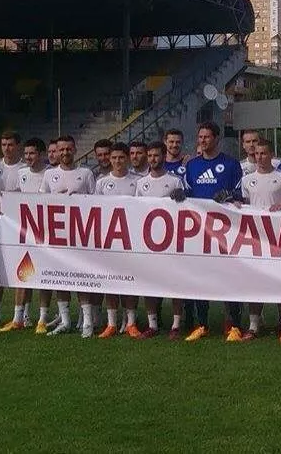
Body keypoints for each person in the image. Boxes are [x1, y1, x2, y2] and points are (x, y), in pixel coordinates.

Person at [179, 122, 244, 343]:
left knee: (229, 277)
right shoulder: (192, 166)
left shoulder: (231, 164)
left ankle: (234, 325)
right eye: (200, 137)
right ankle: (202, 324)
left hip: (226, 231)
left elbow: (240, 194)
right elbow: (187, 193)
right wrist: (179, 196)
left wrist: (229, 195)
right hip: (199, 231)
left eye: (207, 137)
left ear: (217, 138)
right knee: (200, 277)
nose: (203, 141)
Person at [236, 139, 281, 342]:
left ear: (271, 155)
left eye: (263, 153)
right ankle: (253, 326)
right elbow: (243, 206)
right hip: (255, 239)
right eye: (256, 154)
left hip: (279, 239)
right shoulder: (247, 180)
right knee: (255, 282)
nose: (259, 157)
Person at [40, 135, 96, 336]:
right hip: (58, 235)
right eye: (61, 149)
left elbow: (96, 203)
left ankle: (87, 321)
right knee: (60, 277)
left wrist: (80, 200)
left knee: (81, 276)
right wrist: (56, 199)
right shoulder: (49, 174)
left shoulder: (86, 173)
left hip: (81, 235)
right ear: (56, 151)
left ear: (75, 150)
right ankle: (65, 320)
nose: (65, 153)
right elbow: (41, 202)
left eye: (68, 149)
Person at [0, 138, 51, 333]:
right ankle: (18, 318)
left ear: (42, 154)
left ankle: (42, 319)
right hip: (24, 232)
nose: (28, 157)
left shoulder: (50, 173)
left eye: (32, 153)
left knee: (44, 275)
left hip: (45, 233)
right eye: (26, 153)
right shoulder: (21, 173)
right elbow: (17, 196)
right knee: (23, 273)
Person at [134, 141, 186, 339]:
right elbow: (134, 209)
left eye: (156, 155)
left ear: (164, 156)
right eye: (150, 156)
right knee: (149, 284)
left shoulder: (175, 181)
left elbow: (185, 207)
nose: (152, 159)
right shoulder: (141, 183)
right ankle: (152, 325)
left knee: (174, 283)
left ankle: (175, 325)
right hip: (148, 241)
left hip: (171, 240)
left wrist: (182, 197)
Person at [93, 143, 142, 339]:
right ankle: (112, 323)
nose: (117, 161)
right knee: (110, 281)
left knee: (130, 281)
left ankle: (131, 323)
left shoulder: (137, 181)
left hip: (131, 239)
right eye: (114, 158)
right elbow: (93, 209)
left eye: (121, 157)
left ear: (127, 159)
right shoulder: (101, 182)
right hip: (109, 239)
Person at [0, 131, 26, 327]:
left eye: (10, 144)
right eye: (4, 144)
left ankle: (22, 314)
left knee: (22, 269)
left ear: (18, 146)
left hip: (19, 227)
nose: (7, 148)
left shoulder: (24, 169)